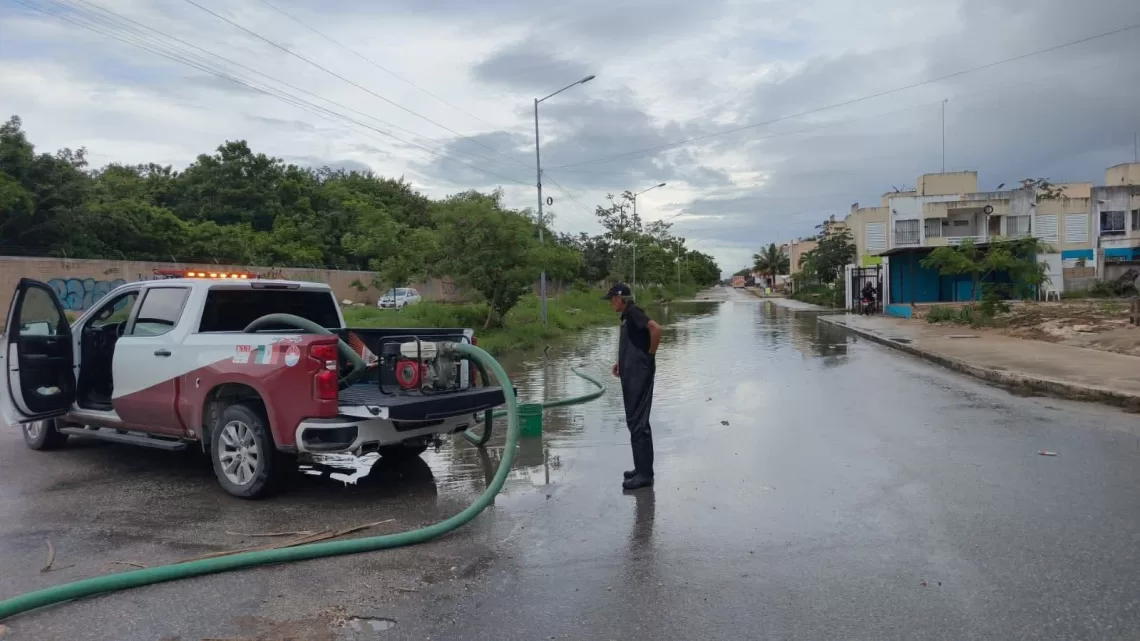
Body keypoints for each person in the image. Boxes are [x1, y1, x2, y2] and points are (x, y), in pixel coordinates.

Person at [604, 283, 662, 490]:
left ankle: (644, 475)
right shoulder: (628, 315)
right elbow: (635, 341)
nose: (611, 304)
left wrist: (649, 356)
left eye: (611, 300)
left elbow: (656, 329)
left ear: (620, 298)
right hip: (632, 372)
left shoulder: (634, 311)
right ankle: (642, 468)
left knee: (638, 422)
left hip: (639, 373)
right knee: (635, 421)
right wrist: (621, 361)